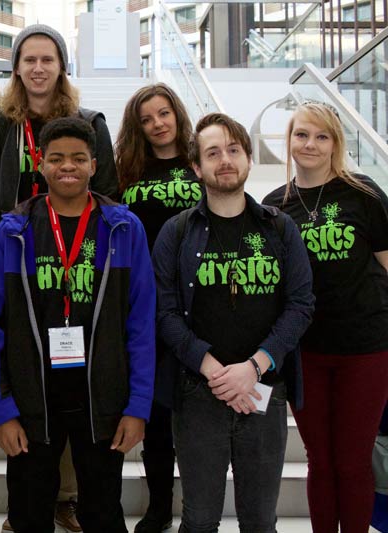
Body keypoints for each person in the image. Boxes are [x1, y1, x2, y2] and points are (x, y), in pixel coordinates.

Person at [0, 116, 155, 533]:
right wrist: (0, 412)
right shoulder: (12, 232)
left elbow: (142, 325)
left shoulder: (124, 229)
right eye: (56, 158)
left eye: (78, 158)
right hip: (30, 398)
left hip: (103, 398)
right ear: (40, 164)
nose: (67, 166)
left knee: (103, 513)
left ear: (95, 164)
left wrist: (138, 406)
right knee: (29, 513)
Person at [153, 113, 314, 532]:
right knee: (200, 519)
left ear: (246, 158)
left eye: (233, 150)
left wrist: (254, 368)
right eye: (212, 153)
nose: (225, 160)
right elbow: (164, 312)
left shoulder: (280, 228)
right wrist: (216, 372)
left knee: (260, 520)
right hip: (198, 394)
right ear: (197, 168)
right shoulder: (177, 232)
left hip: (264, 390)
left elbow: (300, 305)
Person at [262, 101, 388, 533]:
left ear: (336, 142)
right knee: (319, 459)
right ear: (289, 140)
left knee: (353, 460)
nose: (310, 144)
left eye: (321, 136)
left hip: (366, 348)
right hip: (306, 351)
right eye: (302, 135)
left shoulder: (364, 194)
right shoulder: (274, 207)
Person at [114, 82, 201, 533]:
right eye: (146, 119)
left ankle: (200, 507)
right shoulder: (128, 168)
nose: (157, 124)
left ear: (176, 113)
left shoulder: (199, 160)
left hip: (198, 301)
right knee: (157, 410)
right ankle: (159, 507)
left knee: (197, 409)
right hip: (144, 302)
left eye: (163, 113)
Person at [0, 24, 118, 214]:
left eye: (47, 60)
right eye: (30, 60)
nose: (38, 68)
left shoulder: (92, 124)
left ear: (61, 68)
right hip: (15, 237)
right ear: (17, 68)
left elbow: (107, 193)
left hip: (75, 239)